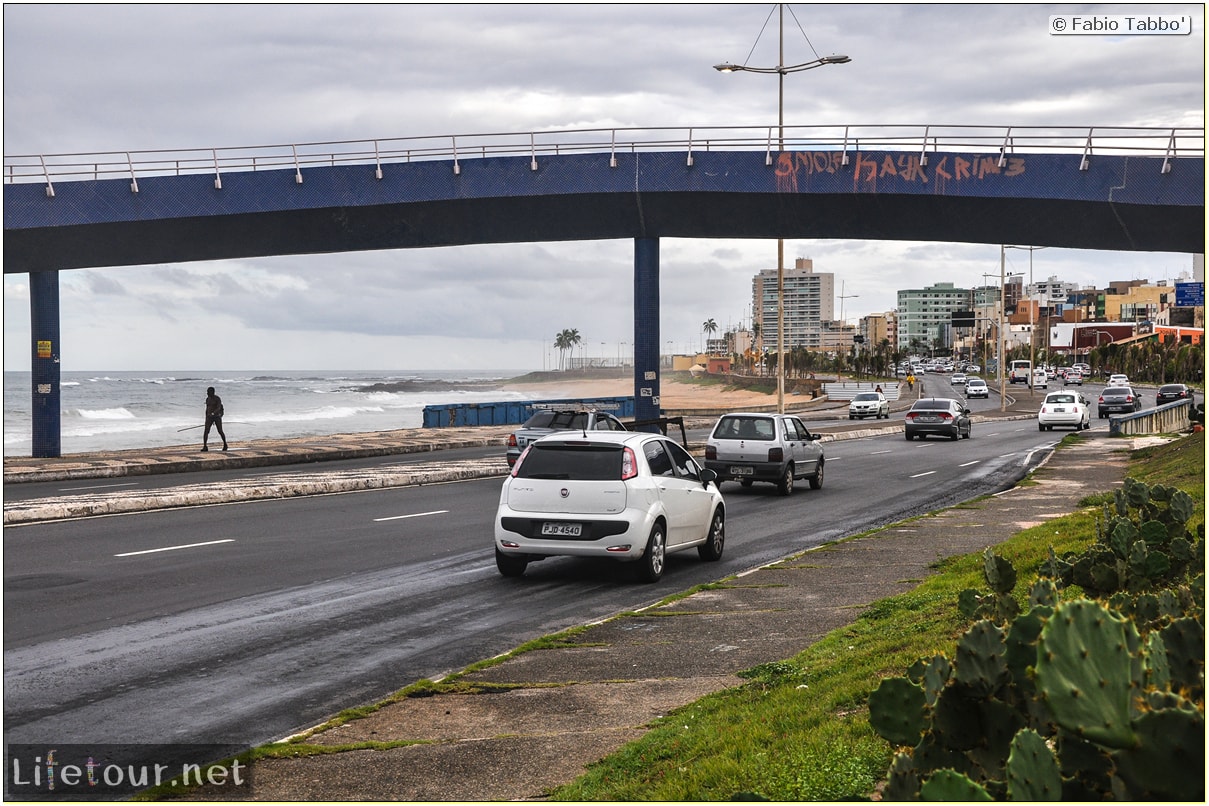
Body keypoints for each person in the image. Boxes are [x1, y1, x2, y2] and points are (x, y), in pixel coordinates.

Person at [203, 386, 228, 452]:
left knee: (220, 431)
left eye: (208, 392)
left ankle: (225, 444)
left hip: (217, 417)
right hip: (209, 418)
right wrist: (206, 417)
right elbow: (207, 409)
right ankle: (205, 446)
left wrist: (213, 413)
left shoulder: (217, 399)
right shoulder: (207, 399)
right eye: (207, 392)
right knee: (206, 431)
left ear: (212, 392)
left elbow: (219, 408)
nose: (207, 393)